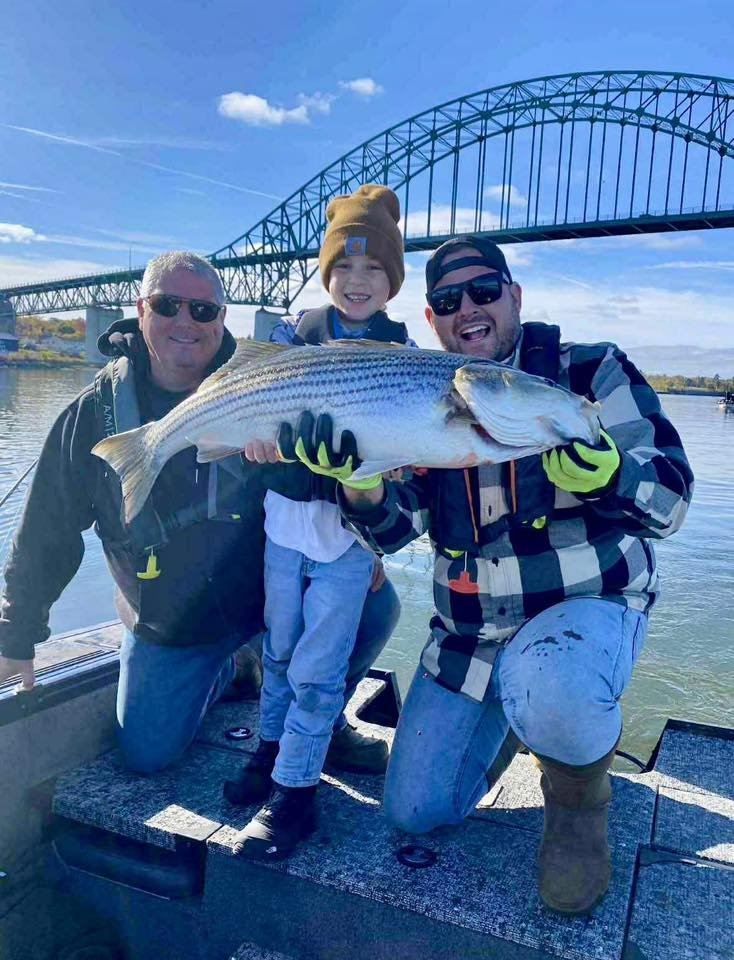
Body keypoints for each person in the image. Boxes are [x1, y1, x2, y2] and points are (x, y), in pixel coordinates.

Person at [285, 235, 694, 914]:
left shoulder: (592, 371)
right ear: (432, 320)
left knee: (551, 676)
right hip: (471, 637)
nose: (467, 308)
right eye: (448, 301)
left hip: (584, 617)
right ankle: (512, 724)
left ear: (515, 297)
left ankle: (577, 798)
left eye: (483, 291)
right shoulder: (418, 394)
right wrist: (357, 484)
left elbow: (673, 499)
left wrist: (615, 475)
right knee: (415, 812)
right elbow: (397, 529)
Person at [0, 250, 399, 778]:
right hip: (173, 623)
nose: (185, 322)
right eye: (168, 306)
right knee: (147, 754)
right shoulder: (93, 413)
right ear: (140, 309)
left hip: (265, 600)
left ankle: (319, 723)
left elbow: (317, 489)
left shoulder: (274, 379)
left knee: (375, 604)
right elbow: (48, 530)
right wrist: (17, 631)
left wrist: (362, 530)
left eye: (203, 311)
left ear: (223, 319)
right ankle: (232, 671)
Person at [228, 185, 412, 862]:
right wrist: (251, 444)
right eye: (343, 268)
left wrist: (392, 480)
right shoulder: (291, 336)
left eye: (374, 270)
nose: (356, 282)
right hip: (283, 529)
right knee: (277, 652)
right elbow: (256, 422)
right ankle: (273, 755)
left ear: (393, 280)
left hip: (345, 544)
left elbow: (403, 467)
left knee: (316, 668)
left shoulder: (406, 354)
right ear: (324, 273)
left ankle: (296, 797)